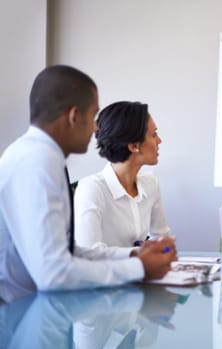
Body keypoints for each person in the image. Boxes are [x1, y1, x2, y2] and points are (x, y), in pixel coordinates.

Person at [0, 65, 177, 303]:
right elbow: (54, 274)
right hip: (18, 314)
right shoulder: (39, 163)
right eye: (93, 116)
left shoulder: (35, 155)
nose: (96, 128)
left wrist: (134, 254)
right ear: (74, 116)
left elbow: (66, 252)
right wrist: (138, 267)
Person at [74, 101, 169, 249]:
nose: (159, 141)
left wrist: (162, 249)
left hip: (144, 271)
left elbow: (162, 239)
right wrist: (139, 255)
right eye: (154, 134)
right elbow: (89, 252)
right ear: (133, 146)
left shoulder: (151, 183)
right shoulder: (92, 188)